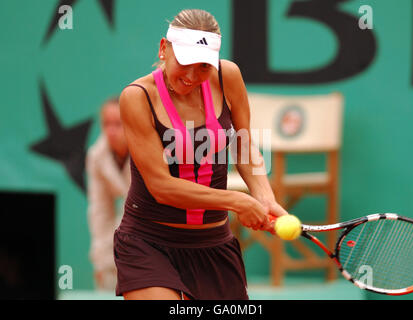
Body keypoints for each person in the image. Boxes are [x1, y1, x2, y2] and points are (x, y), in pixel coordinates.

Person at [115, 8, 289, 300]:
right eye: (184, 62)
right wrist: (237, 201)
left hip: (214, 244)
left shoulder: (228, 76)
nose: (192, 77)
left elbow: (243, 144)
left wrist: (265, 197)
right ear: (163, 49)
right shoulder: (136, 97)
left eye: (204, 67)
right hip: (149, 243)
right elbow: (161, 187)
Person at [86, 97, 130, 291]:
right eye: (106, 124)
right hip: (123, 234)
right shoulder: (96, 156)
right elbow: (100, 211)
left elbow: (134, 209)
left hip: (156, 233)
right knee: (105, 271)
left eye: (118, 124)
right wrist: (100, 260)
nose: (111, 131)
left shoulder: (145, 149)